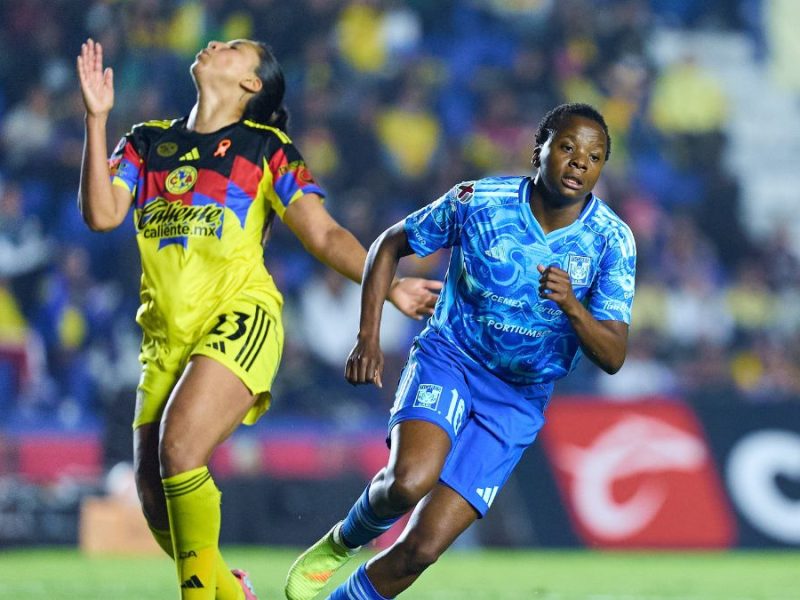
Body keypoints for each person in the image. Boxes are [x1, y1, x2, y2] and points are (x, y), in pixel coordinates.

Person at [76, 38, 441, 600]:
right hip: (164, 337)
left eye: (232, 48)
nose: (214, 44)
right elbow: (102, 215)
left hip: (239, 316)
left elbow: (324, 234)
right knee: (155, 500)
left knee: (180, 450)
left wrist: (388, 286)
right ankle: (232, 591)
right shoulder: (146, 142)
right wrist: (96, 119)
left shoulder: (265, 148)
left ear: (252, 83)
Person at [285, 103, 637, 600]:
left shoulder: (612, 240)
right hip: (451, 359)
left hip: (518, 397)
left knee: (422, 549)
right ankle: (343, 540)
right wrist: (368, 337)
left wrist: (573, 307)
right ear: (538, 150)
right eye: (567, 147)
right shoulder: (480, 201)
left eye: (594, 156)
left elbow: (614, 355)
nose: (580, 161)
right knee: (408, 483)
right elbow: (389, 245)